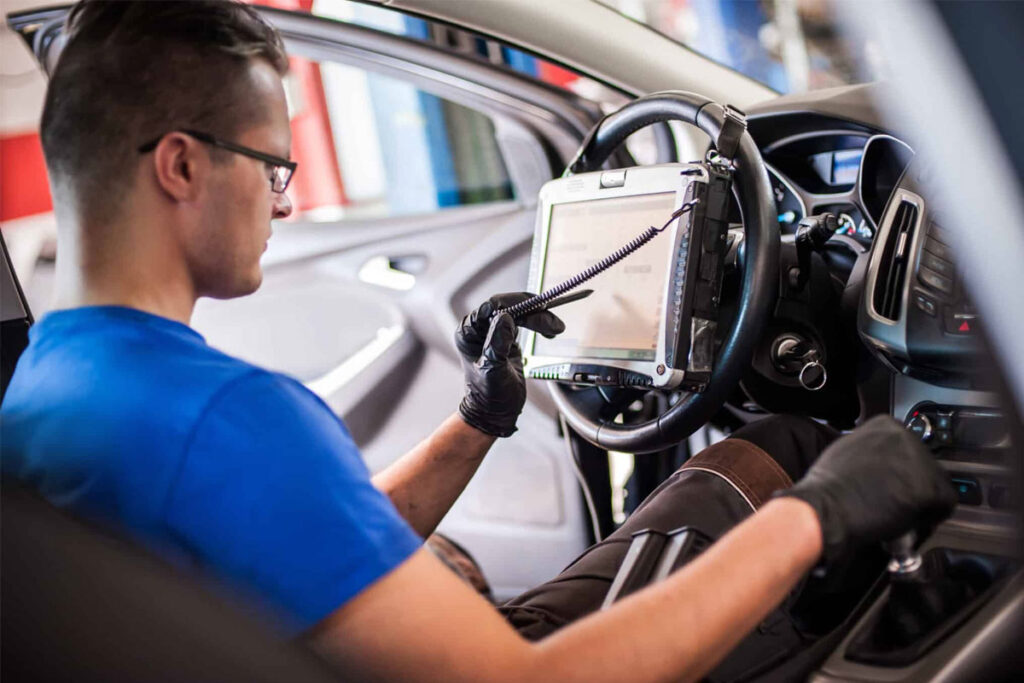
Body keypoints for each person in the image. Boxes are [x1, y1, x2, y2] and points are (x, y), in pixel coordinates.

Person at [0, 2, 956, 681]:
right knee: (793, 458)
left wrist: (477, 418)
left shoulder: (48, 384)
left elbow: (294, 542)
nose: (283, 204)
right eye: (273, 167)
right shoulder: (220, 419)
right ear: (181, 165)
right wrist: (820, 515)